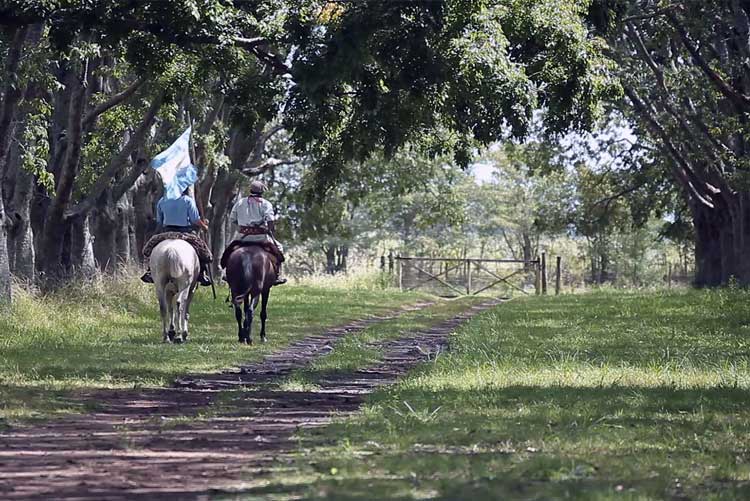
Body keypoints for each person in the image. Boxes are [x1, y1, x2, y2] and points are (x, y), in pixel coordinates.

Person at [140, 188, 213, 286]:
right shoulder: (187, 200)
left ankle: (150, 271)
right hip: (184, 232)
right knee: (202, 249)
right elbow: (195, 219)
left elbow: (159, 221)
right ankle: (202, 273)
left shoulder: (162, 200)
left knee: (150, 247)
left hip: (167, 232)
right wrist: (204, 226)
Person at [227, 180, 287, 285]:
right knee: (279, 248)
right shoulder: (266, 204)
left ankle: (226, 274)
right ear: (262, 192)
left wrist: (243, 223)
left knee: (229, 250)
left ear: (250, 190)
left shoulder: (240, 202)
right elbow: (270, 220)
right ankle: (277, 275)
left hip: (242, 237)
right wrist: (270, 229)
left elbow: (233, 219)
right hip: (261, 237)